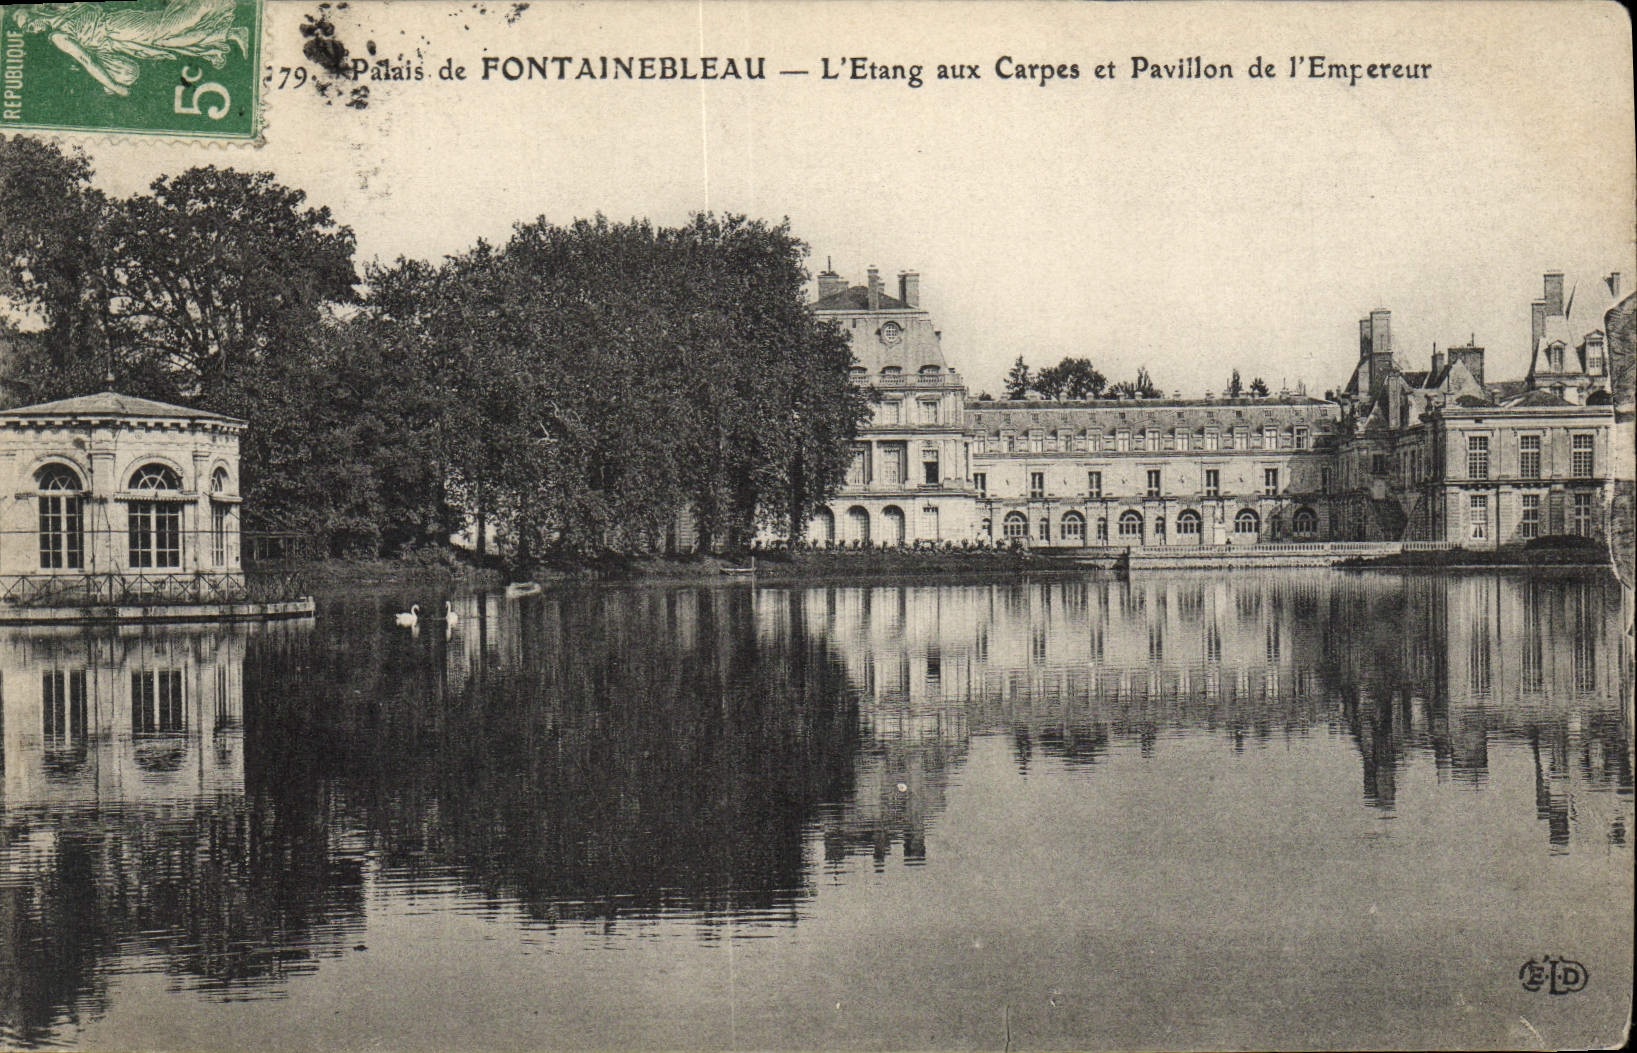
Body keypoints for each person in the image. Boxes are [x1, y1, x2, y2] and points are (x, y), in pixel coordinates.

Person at [12, 1, 250, 97]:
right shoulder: (57, 36)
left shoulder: (61, 15)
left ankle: (210, 5)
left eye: (30, 23)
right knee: (167, 44)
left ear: (36, 13)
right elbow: (88, 59)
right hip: (114, 43)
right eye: (27, 30)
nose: (32, 30)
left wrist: (114, 86)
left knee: (165, 29)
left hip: (116, 26)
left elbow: (87, 61)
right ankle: (227, 36)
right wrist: (113, 83)